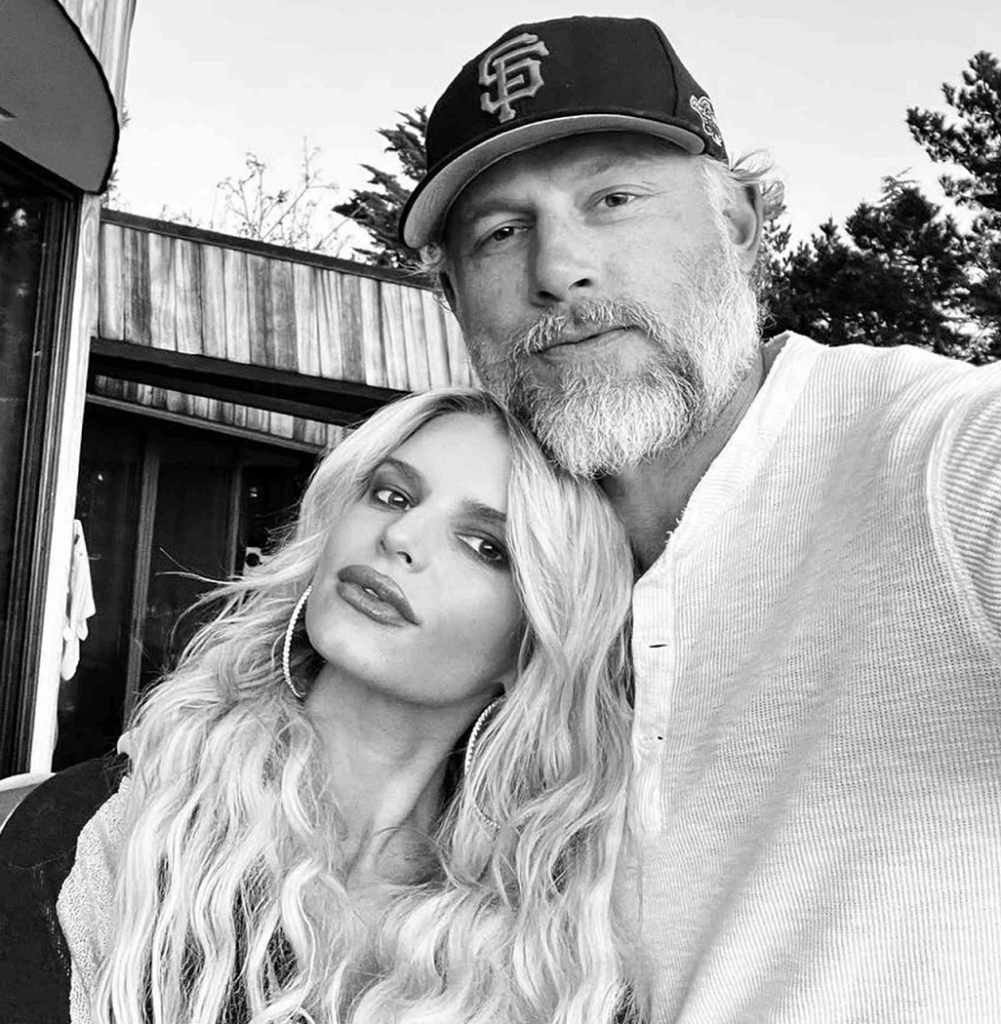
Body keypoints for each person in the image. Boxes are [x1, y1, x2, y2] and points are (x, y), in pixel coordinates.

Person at [399, 15, 1001, 1023]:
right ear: (456, 302)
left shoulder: (931, 457)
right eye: (499, 232)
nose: (557, 268)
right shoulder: (490, 572)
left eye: (612, 198)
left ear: (738, 223)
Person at [0, 388, 642, 1024]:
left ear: (537, 641)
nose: (401, 536)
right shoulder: (104, 833)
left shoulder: (558, 958)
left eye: (485, 546)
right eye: (392, 495)